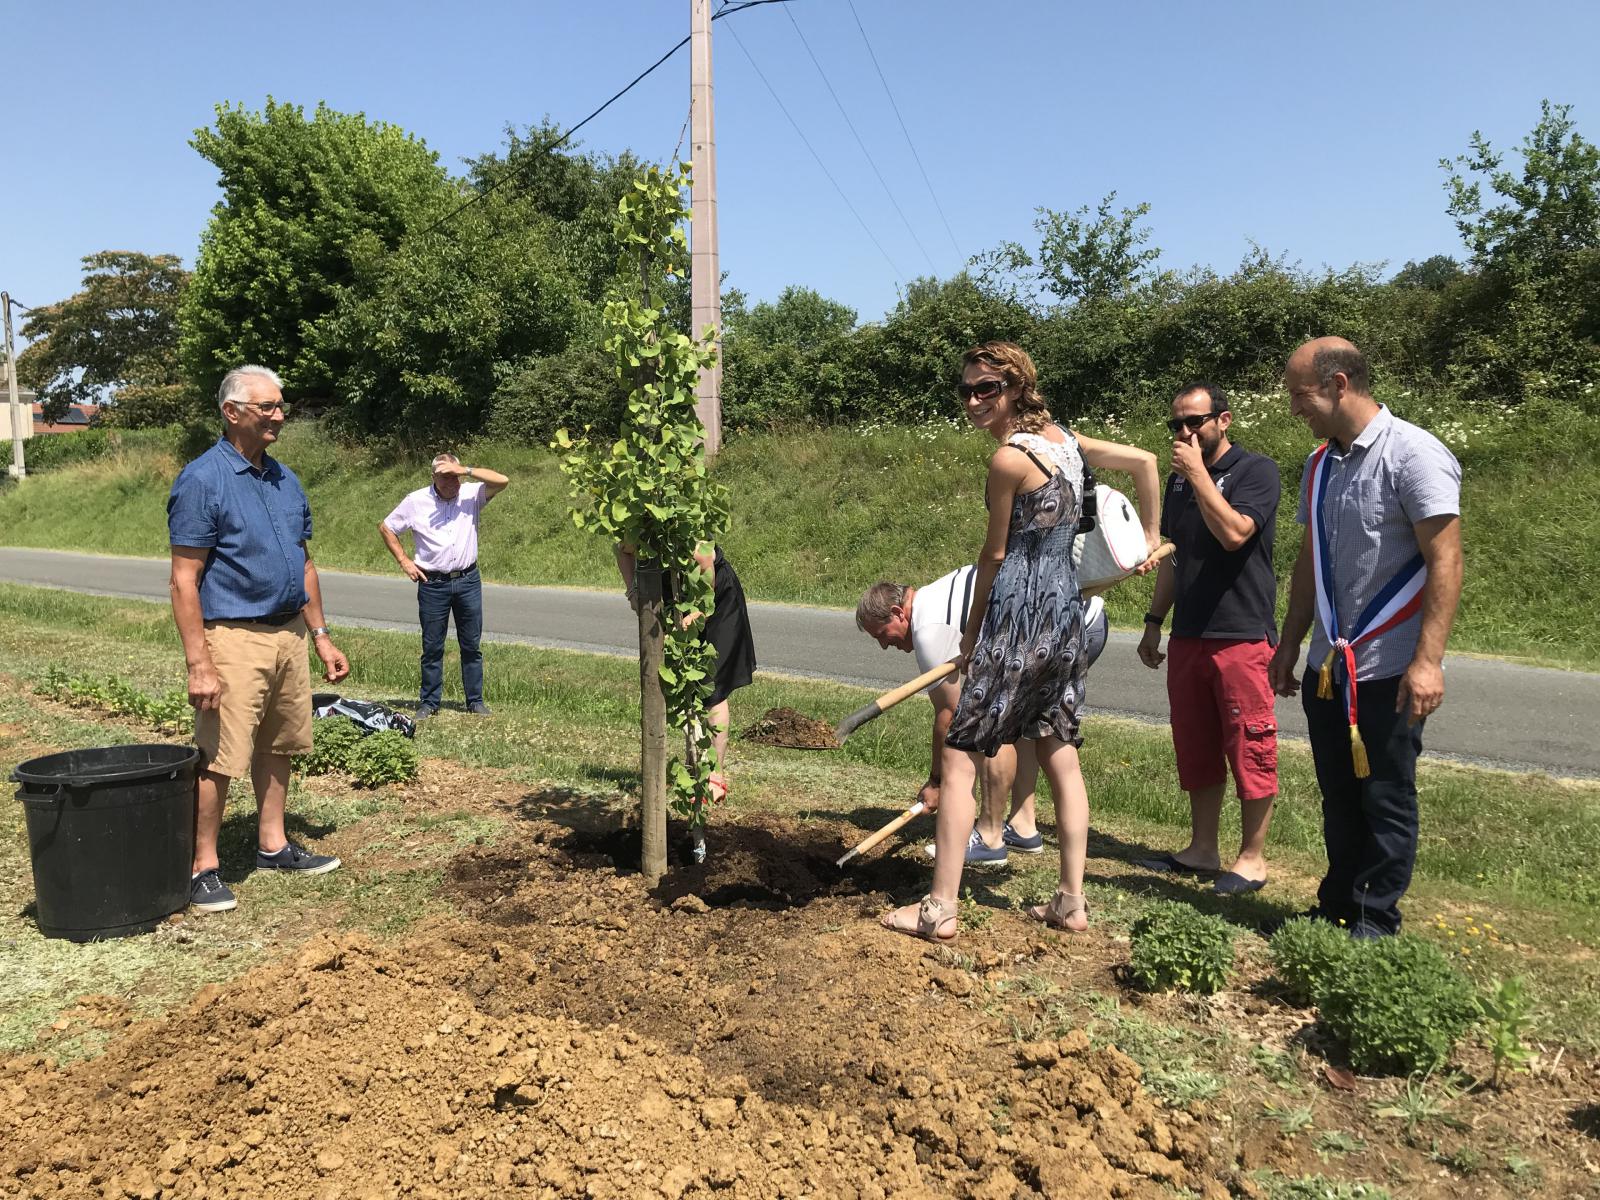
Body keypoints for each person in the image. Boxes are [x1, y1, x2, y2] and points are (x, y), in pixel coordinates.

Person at [881, 341, 1160, 942]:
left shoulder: (1010, 460)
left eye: (988, 388)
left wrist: (974, 631)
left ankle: (939, 910)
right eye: (967, 390)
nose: (975, 400)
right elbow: (1146, 462)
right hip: (1067, 618)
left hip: (1018, 620)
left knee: (959, 758)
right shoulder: (1070, 444)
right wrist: (1151, 537)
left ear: (1017, 387)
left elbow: (994, 555)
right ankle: (1070, 903)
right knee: (1060, 750)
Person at [1269, 337, 1463, 939]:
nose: (1294, 408)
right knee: (1339, 796)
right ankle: (1335, 909)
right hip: (1331, 666)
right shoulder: (1320, 463)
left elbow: (1447, 560)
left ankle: (1374, 922)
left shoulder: (1414, 455)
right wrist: (1290, 642)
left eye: (1301, 395)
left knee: (1384, 796)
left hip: (1390, 665)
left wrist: (1428, 661)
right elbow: (1311, 562)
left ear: (1339, 385)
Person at [168, 365, 351, 914]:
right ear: (232, 412)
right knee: (221, 756)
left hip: (288, 635)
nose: (279, 415)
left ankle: (273, 845)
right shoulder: (202, 480)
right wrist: (199, 662)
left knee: (279, 746)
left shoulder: (284, 479)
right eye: (267, 406)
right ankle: (202, 866)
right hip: (233, 637)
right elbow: (183, 579)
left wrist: (320, 636)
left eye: (280, 406)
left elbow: (305, 562)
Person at [1136, 382, 1282, 895]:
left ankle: (1252, 858)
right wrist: (1155, 621)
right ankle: (1202, 848)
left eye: (1194, 421)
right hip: (1190, 634)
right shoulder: (1179, 485)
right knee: (1195, 744)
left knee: (1248, 742)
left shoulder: (1255, 471)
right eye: (1175, 424)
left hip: (1240, 633)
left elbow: (1236, 534)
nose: (1184, 433)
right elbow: (1175, 555)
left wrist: (1199, 475)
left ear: (1224, 420)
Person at [856, 572, 1109, 866]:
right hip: (1080, 623)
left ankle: (990, 836)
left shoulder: (928, 629)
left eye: (881, 635)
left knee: (995, 722)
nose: (884, 646)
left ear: (898, 613)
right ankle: (1023, 826)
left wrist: (936, 782)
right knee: (1022, 722)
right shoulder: (930, 601)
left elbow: (948, 715)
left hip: (1068, 628)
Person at [617, 540, 757, 859]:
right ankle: (696, 776)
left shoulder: (689, 532)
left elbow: (705, 566)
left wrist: (697, 612)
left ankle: (715, 774)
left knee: (712, 685)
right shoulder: (640, 526)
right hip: (673, 597)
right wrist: (632, 591)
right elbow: (621, 551)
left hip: (715, 596)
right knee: (681, 685)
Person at [379, 453, 509, 718]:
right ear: (434, 477)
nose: (451, 482)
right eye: (445, 476)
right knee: (432, 646)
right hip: (432, 583)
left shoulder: (471, 494)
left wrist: (467, 469)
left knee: (471, 644)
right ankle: (429, 702)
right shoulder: (416, 501)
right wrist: (404, 560)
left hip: (467, 580)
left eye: (455, 476)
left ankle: (475, 701)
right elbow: (387, 527)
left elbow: (503, 481)